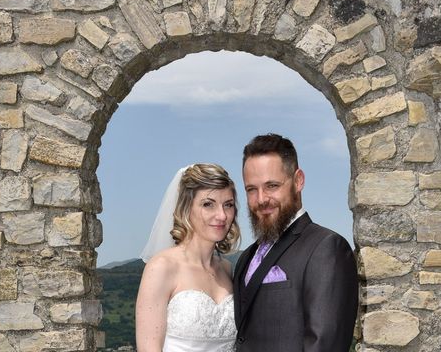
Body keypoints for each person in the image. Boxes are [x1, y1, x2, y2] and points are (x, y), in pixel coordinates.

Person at [233, 134, 358, 352]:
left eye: (271, 185)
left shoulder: (327, 248)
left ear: (298, 180)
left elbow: (325, 345)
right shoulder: (246, 258)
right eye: (251, 189)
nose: (261, 199)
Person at [136, 164, 241, 352]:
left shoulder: (226, 269)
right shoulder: (161, 267)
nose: (222, 215)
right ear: (186, 207)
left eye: (228, 204)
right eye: (208, 204)